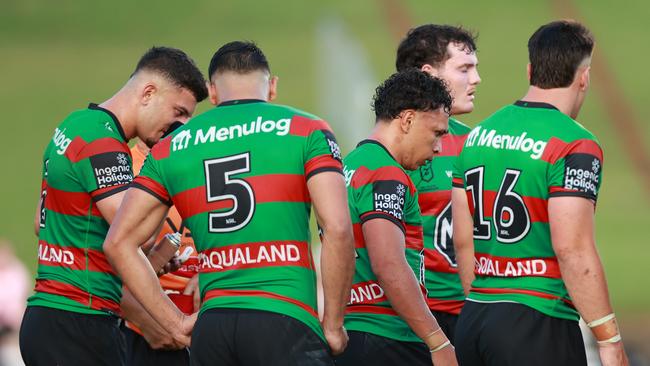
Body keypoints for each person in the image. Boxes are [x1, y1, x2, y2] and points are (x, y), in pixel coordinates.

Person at [103, 41, 356, 366]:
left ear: (212, 91)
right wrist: (333, 325)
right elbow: (336, 227)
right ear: (272, 86)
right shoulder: (308, 130)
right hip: (284, 316)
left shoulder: (172, 147)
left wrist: (174, 323)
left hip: (213, 327)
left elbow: (119, 242)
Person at [452, 20, 629, 366]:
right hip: (536, 322)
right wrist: (609, 338)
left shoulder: (477, 137)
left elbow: (463, 240)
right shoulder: (575, 143)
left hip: (475, 318)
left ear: (530, 69)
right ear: (584, 77)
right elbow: (572, 249)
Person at [20, 46, 207, 366]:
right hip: (80, 320)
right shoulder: (107, 146)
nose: (182, 127)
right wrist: (169, 172)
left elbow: (42, 222)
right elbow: (132, 236)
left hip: (50, 315)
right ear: (148, 92)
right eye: (179, 112)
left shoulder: (74, 125)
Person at [335, 69, 457, 366]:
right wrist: (437, 341)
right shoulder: (387, 174)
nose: (439, 147)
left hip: (354, 332)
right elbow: (388, 263)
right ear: (408, 120)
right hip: (389, 338)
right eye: (437, 133)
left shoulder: (349, 166)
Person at [395, 24, 481, 341]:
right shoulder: (392, 151)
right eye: (465, 69)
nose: (476, 79)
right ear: (429, 74)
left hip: (472, 313)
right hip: (413, 321)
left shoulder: (476, 143)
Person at [120, 136, 200, 366]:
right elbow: (95, 265)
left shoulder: (204, 158)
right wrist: (142, 318)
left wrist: (213, 273)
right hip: (142, 330)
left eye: (187, 113)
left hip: (204, 323)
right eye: (177, 110)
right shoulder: (121, 169)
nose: (181, 123)